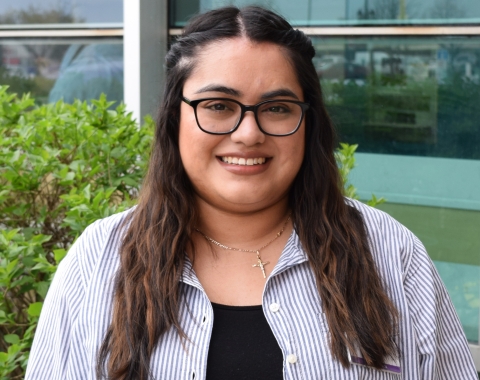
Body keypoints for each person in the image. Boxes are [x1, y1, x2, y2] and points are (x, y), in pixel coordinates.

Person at [25, 6, 477, 380]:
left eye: (277, 109)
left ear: (308, 121)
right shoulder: (98, 260)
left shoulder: (390, 252)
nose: (248, 133)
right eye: (218, 106)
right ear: (173, 118)